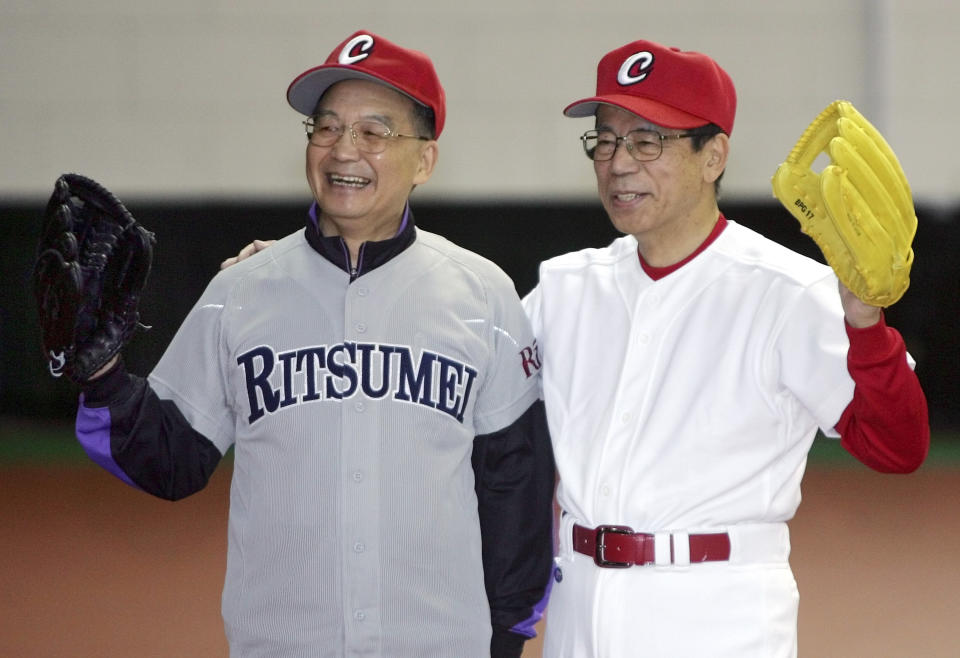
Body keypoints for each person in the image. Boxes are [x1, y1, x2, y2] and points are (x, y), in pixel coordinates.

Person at [73, 30, 554, 658]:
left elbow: (514, 481)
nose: (343, 149)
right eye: (325, 128)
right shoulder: (241, 291)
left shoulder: (483, 294)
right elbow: (171, 458)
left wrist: (507, 635)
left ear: (425, 161)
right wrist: (102, 371)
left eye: (374, 133)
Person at [520, 39, 930, 657]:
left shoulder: (789, 291)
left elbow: (897, 447)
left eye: (648, 140)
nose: (619, 163)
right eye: (605, 140)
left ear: (714, 156)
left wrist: (865, 323)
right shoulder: (562, 288)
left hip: (716, 613)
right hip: (579, 607)